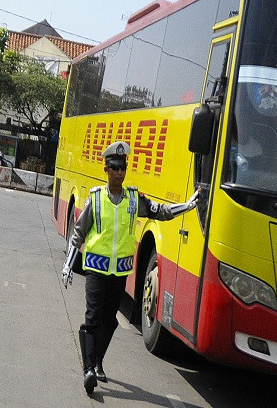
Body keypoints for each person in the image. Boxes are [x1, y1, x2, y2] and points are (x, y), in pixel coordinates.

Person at [61, 141, 198, 394]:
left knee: (109, 321)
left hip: (120, 272)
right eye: (114, 167)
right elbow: (78, 233)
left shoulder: (134, 200)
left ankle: (98, 361)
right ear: (106, 169)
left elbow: (159, 211)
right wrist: (68, 265)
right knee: (92, 319)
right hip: (96, 269)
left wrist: (187, 206)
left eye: (122, 167)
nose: (119, 172)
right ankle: (88, 370)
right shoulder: (96, 199)